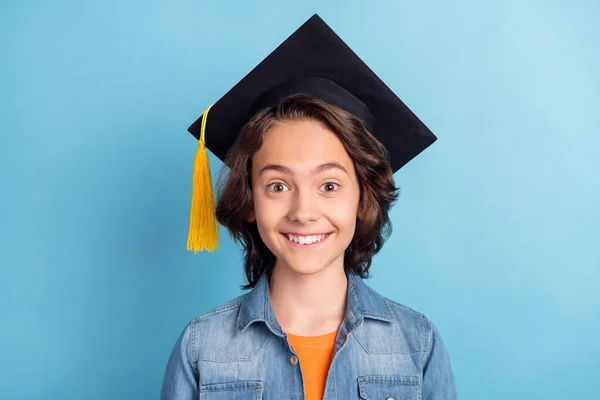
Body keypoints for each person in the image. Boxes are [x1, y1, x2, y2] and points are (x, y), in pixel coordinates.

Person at [160, 14, 457, 400]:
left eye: (329, 185)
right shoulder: (201, 348)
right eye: (278, 185)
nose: (303, 211)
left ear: (361, 197)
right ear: (250, 200)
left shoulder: (417, 344)